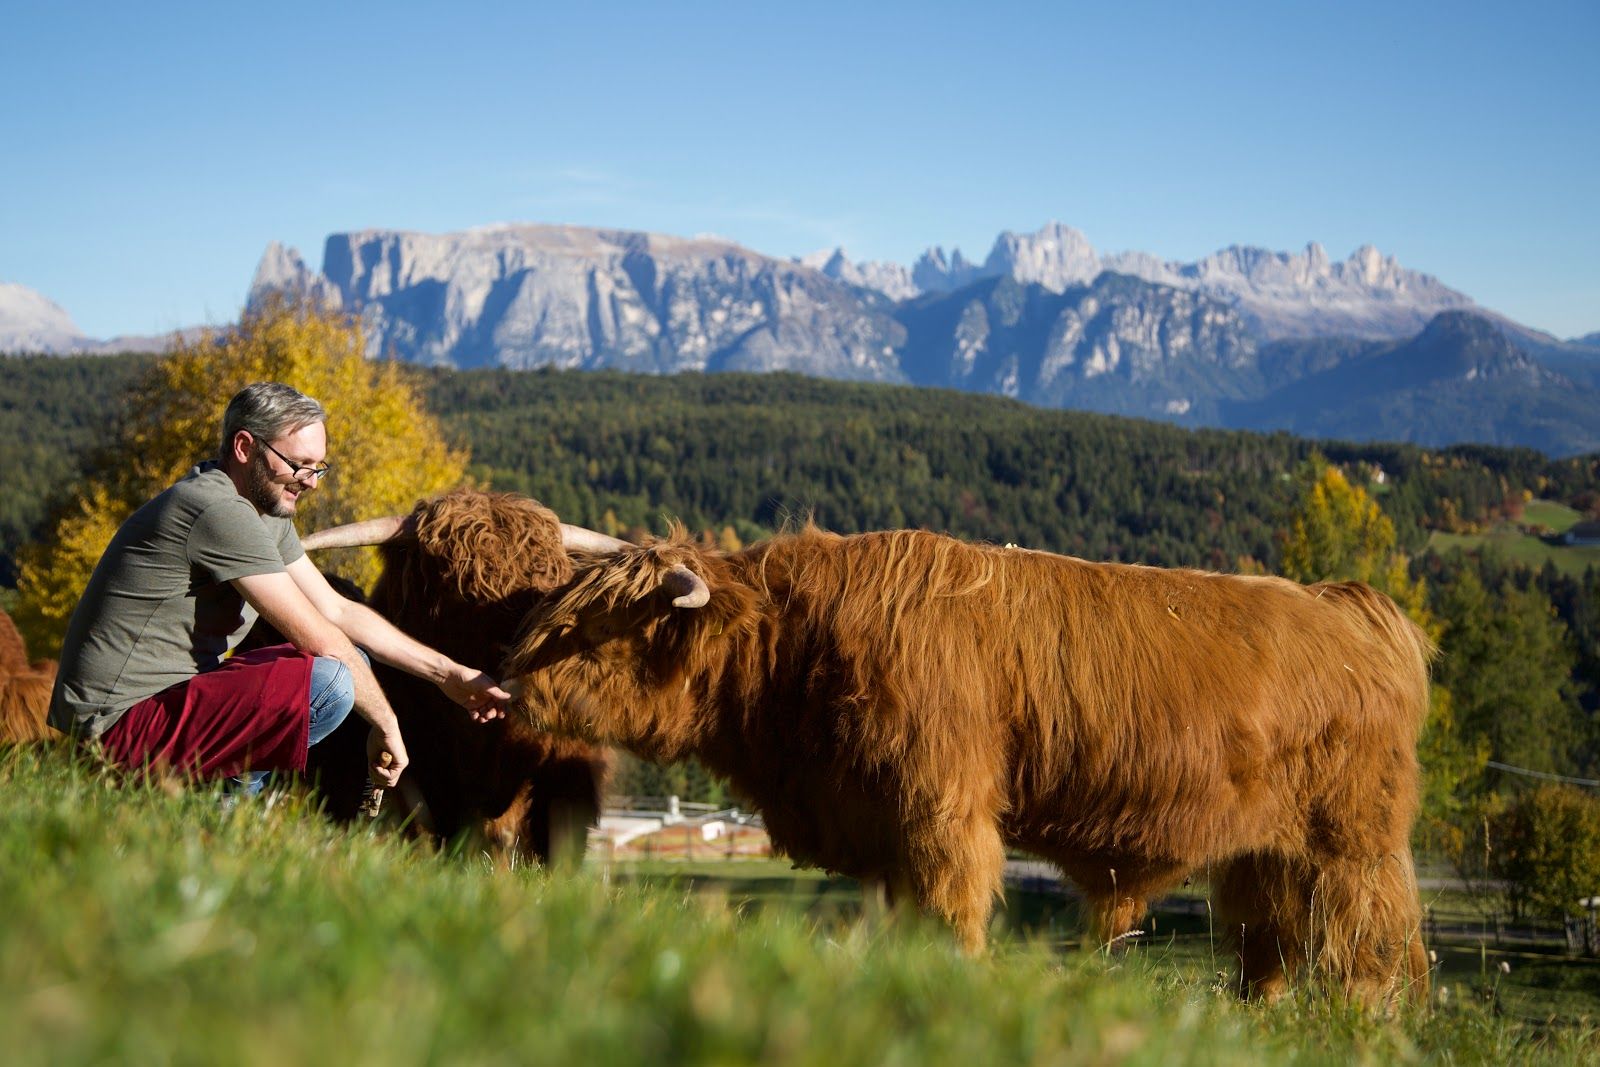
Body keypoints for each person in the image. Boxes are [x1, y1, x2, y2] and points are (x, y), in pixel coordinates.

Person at [48, 381, 508, 796]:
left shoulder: (261, 513)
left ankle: (210, 800)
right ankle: (216, 812)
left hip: (162, 709)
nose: (309, 482)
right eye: (298, 465)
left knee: (346, 665)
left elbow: (338, 611)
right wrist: (387, 723)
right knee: (329, 681)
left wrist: (450, 674)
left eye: (318, 467)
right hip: (116, 729)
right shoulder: (215, 509)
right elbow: (322, 638)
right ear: (245, 446)